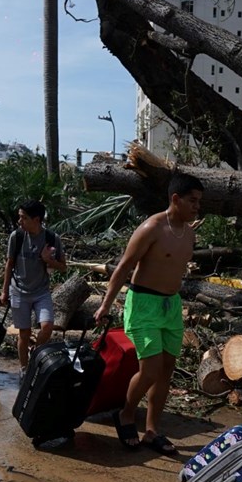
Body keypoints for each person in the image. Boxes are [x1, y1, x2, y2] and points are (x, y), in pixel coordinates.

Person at [93, 173, 204, 455]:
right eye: (192, 201)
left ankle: (153, 430)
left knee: (166, 369)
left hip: (171, 306)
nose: (196, 207)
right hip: (143, 304)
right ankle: (127, 413)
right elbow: (123, 268)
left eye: (199, 202)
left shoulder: (189, 233)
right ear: (175, 199)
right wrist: (106, 304)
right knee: (150, 370)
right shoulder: (151, 228)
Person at [0, 201, 66, 374]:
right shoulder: (17, 236)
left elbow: (63, 266)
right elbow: (9, 264)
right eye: (19, 217)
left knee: (47, 326)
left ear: (36, 219)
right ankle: (24, 369)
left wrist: (48, 260)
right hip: (19, 291)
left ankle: (35, 352)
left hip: (41, 291)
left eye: (23, 218)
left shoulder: (52, 238)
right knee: (24, 333)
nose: (19, 221)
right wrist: (4, 291)